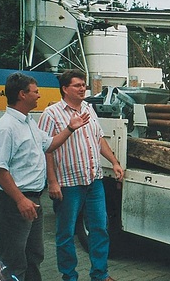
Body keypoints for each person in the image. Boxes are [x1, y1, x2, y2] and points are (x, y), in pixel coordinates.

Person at [0, 72, 90, 281]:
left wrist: (71, 127)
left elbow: (50, 144)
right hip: (14, 203)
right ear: (22, 94)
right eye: (35, 92)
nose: (39, 95)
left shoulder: (29, 123)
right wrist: (20, 200)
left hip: (32, 200)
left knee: (34, 256)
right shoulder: (5, 128)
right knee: (14, 261)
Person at [38, 69, 124, 281]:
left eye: (83, 84)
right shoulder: (51, 114)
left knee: (100, 229)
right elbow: (46, 149)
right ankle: (69, 276)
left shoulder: (88, 108)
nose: (82, 88)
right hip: (68, 184)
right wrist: (52, 181)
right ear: (65, 89)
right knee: (66, 234)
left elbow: (98, 138)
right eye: (77, 85)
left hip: (93, 181)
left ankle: (100, 275)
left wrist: (114, 162)